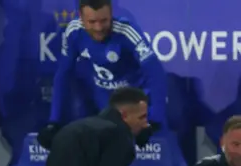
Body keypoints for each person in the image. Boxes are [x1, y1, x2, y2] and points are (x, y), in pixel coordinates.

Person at [39, 0, 166, 147]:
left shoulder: (126, 31)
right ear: (81, 16)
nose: (98, 28)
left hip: (136, 104)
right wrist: (54, 121)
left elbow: (155, 73)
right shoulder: (73, 32)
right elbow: (63, 75)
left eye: (104, 20)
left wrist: (153, 120)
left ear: (111, 14)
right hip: (105, 107)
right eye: (92, 21)